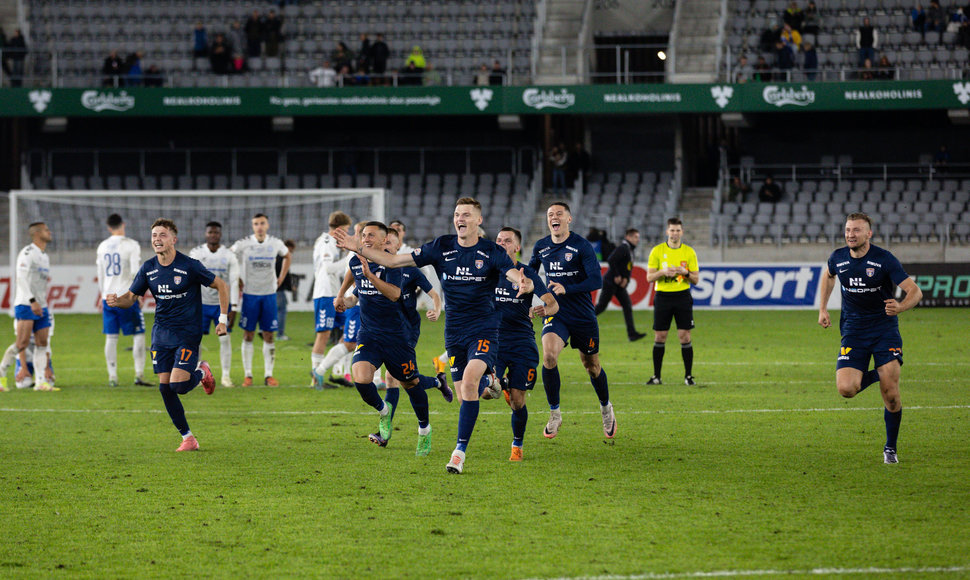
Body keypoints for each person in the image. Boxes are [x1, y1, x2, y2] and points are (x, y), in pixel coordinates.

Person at [332, 198, 531, 474]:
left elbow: (511, 272)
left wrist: (523, 281)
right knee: (465, 396)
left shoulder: (491, 251)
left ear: (478, 220)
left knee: (469, 382)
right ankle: (492, 380)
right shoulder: (441, 247)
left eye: (467, 214)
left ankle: (459, 452)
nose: (460, 218)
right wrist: (358, 247)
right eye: (457, 214)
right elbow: (393, 259)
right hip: (454, 333)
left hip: (483, 329)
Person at [106, 219, 229, 452]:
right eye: (154, 235)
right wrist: (116, 300)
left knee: (179, 386)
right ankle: (188, 438)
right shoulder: (148, 268)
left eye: (162, 235)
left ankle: (202, 370)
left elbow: (221, 285)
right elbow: (131, 298)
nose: (157, 239)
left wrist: (222, 320)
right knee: (165, 388)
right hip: (161, 334)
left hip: (187, 334)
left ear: (174, 239)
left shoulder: (190, 265)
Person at [334, 222, 449, 455]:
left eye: (372, 236)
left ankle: (424, 430)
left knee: (411, 383)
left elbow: (394, 294)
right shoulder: (357, 261)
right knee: (361, 378)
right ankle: (384, 410)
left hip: (398, 336)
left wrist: (369, 275)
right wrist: (343, 299)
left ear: (383, 241)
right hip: (369, 334)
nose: (366, 239)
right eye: (363, 235)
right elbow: (354, 283)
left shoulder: (393, 265)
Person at [817, 213, 923, 464]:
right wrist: (822, 308)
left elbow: (914, 292)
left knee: (892, 395)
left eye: (856, 230)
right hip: (853, 331)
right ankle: (882, 371)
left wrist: (900, 306)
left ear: (868, 234)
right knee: (846, 389)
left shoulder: (884, 259)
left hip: (884, 330)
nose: (850, 234)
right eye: (847, 230)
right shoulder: (838, 258)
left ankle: (890, 448)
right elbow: (828, 276)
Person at [528, 201, 616, 441]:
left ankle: (606, 407)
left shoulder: (581, 246)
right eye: (550, 215)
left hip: (583, 316)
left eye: (559, 214)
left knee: (592, 366)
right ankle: (555, 413)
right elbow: (530, 275)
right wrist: (533, 295)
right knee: (548, 356)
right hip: (556, 313)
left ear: (569, 219)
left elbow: (596, 280)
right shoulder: (541, 247)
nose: (553, 217)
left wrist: (567, 288)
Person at [374, 226, 451, 441]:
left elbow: (434, 294)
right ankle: (437, 382)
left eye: (390, 242)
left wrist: (436, 309)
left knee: (392, 376)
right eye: (384, 242)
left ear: (399, 246)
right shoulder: (375, 269)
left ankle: (384, 433)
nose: (386, 245)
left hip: (406, 330)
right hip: (384, 330)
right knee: (405, 380)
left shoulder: (410, 270)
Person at [493, 227, 559, 461]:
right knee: (486, 391)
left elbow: (553, 304)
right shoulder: (488, 271)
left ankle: (517, 445)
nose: (501, 243)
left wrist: (544, 309)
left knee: (518, 401)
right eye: (498, 239)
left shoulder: (528, 273)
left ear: (517, 247)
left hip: (522, 343)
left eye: (507, 240)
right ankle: (502, 383)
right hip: (494, 343)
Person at [231, 213, 291, 387]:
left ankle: (268, 375)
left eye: (262, 223)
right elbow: (230, 255)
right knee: (248, 334)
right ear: (252, 226)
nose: (259, 226)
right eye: (256, 223)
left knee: (269, 335)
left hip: (269, 295)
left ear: (267, 225)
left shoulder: (275, 243)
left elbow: (287, 255)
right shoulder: (244, 243)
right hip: (250, 294)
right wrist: (237, 276)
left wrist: (281, 277)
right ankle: (248, 375)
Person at [97, 214, 151, 387]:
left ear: (108, 227)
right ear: (123, 225)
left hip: (108, 297)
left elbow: (100, 274)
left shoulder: (102, 246)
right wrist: (137, 294)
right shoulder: (131, 245)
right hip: (126, 296)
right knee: (139, 334)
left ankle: (112, 377)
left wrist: (102, 294)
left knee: (111, 337)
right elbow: (136, 272)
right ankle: (139, 374)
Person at [645, 217, 700, 386]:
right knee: (660, 336)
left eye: (678, 230)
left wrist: (684, 272)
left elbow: (696, 280)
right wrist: (662, 272)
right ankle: (656, 377)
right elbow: (649, 278)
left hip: (682, 296)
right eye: (672, 230)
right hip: (663, 297)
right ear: (667, 232)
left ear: (682, 232)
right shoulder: (657, 251)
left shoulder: (689, 252)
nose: (675, 233)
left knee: (684, 336)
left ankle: (688, 376)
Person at [189, 221, 240, 388]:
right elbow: (190, 281)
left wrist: (233, 308)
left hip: (221, 305)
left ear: (220, 234)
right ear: (206, 234)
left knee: (225, 340)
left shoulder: (229, 255)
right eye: (210, 232)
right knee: (195, 341)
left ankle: (226, 376)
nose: (213, 235)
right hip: (201, 304)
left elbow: (233, 282)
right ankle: (197, 375)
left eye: (216, 232)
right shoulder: (196, 253)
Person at [310, 211, 352, 388]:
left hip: (335, 293)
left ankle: (336, 372)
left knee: (346, 334)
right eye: (347, 230)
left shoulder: (331, 242)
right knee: (324, 334)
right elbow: (327, 268)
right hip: (325, 293)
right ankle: (315, 379)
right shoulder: (326, 242)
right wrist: (350, 258)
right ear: (340, 228)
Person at [12, 222, 56, 391]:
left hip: (41, 306)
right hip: (26, 304)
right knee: (22, 343)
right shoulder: (27, 253)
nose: (49, 232)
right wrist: (32, 300)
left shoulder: (44, 256)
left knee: (42, 342)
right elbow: (20, 278)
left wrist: (40, 303)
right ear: (37, 234)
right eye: (46, 230)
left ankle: (40, 381)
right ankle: (3, 371)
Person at [595, 228, 647, 342]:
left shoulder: (629, 249)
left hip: (618, 284)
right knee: (601, 307)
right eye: (635, 237)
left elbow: (626, 267)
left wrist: (626, 279)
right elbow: (611, 259)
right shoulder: (623, 248)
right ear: (628, 237)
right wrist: (618, 275)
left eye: (638, 237)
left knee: (627, 306)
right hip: (610, 282)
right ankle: (579, 322)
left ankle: (632, 334)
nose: (637, 240)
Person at [275, 239, 296, 341]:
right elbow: (285, 274)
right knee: (282, 310)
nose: (291, 253)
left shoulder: (276, 256)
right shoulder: (284, 258)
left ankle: (267, 330)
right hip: (279, 289)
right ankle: (280, 334)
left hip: (273, 288)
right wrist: (290, 287)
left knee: (278, 309)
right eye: (291, 250)